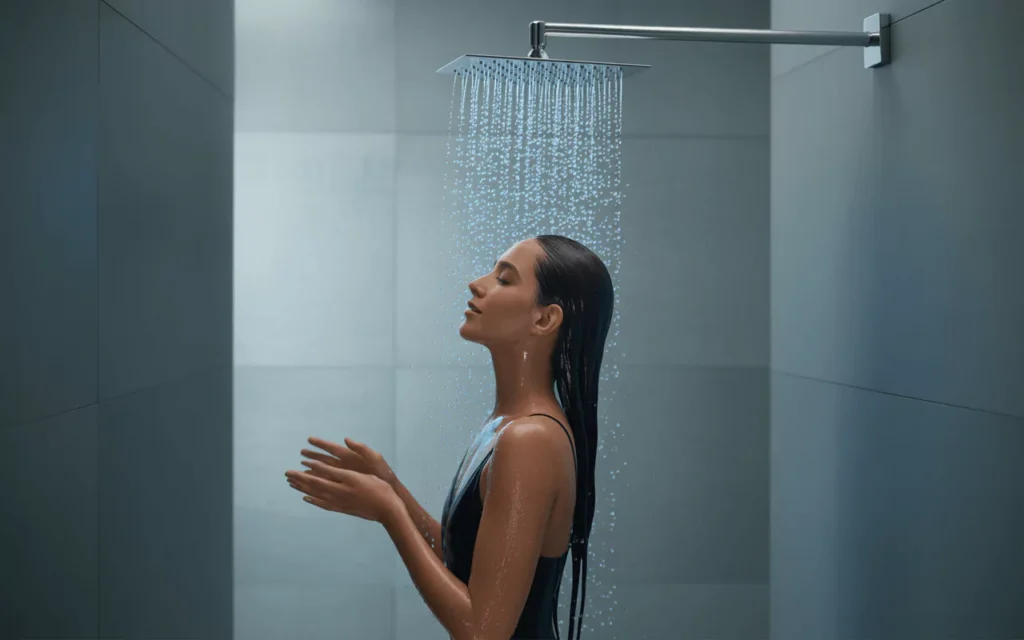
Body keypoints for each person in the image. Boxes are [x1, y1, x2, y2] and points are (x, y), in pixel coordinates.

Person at [285, 235, 614, 640]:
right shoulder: (508, 424)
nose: (477, 284)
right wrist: (392, 488)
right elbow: (468, 564)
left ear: (544, 319)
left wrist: (390, 511)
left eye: (504, 279)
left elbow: (482, 631)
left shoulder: (531, 439)